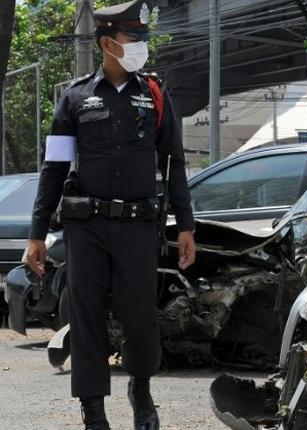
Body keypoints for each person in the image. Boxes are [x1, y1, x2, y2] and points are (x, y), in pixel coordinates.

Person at [23, 1, 196, 429]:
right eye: (132, 38)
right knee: (86, 319)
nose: (139, 45)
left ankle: (141, 392)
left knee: (140, 318)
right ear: (107, 43)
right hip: (87, 228)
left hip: (139, 227)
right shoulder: (75, 97)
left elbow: (172, 160)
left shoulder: (154, 93)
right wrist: (37, 233)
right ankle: (94, 411)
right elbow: (55, 168)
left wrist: (186, 224)